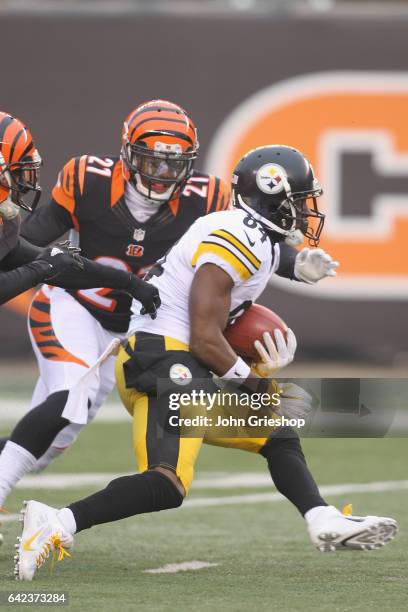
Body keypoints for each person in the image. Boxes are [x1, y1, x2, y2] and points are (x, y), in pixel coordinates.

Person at [16, 145, 396, 582]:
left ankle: (322, 517)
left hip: (168, 360)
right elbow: (205, 337)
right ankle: (56, 521)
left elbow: (214, 332)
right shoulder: (239, 237)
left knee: (276, 434)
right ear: (272, 196)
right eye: (299, 201)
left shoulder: (258, 239)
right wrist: (254, 381)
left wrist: (257, 361)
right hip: (162, 361)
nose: (306, 212)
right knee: (167, 481)